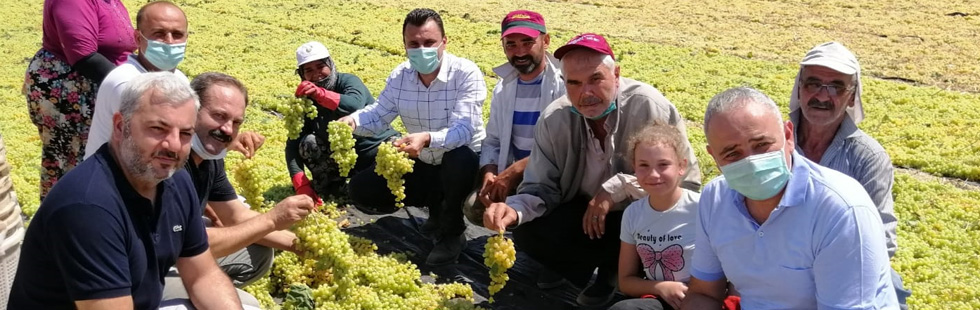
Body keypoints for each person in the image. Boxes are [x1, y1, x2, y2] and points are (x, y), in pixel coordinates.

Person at [481, 33, 701, 307]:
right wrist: (513, 209)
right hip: (584, 212)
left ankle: (613, 273)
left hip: (643, 213)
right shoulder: (554, 118)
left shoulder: (648, 106)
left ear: (616, 75)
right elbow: (540, 187)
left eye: (595, 79)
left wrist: (617, 188)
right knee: (528, 230)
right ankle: (588, 270)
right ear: (565, 83)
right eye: (574, 83)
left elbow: (687, 185)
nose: (585, 93)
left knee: (642, 222)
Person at [8, 72, 244, 309]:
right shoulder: (89, 207)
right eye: (158, 128)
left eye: (184, 133)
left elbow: (202, 276)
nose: (173, 145)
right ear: (121, 127)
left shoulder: (176, 181)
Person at [683, 87, 898, 309]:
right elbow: (704, 294)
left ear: (788, 135)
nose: (752, 162)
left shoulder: (840, 209)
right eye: (732, 154)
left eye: (761, 145)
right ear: (714, 157)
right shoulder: (714, 199)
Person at [338, 8, 486, 267]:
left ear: (444, 42)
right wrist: (353, 121)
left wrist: (427, 138)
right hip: (425, 159)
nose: (422, 50)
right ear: (404, 45)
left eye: (429, 43)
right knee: (363, 188)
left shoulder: (465, 73)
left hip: (465, 165)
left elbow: (464, 130)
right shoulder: (400, 76)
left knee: (458, 157)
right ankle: (436, 207)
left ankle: (452, 231)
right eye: (414, 44)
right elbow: (379, 113)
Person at [158, 72, 317, 307]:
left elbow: (236, 216)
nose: (228, 130)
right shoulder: (169, 164)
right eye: (219, 116)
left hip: (178, 252)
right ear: (190, 110)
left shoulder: (209, 159)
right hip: (144, 271)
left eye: (236, 122)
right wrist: (273, 219)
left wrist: (304, 246)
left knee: (259, 252)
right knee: (247, 304)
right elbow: (191, 242)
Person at [789, 41, 909, 308]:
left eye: (836, 87)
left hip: (845, 266)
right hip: (779, 259)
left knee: (892, 290)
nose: (822, 95)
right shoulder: (774, 141)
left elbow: (882, 237)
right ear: (799, 88)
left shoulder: (868, 157)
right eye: (813, 83)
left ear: (852, 96)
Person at [85, 1, 265, 161]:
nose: (169, 41)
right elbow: (163, 144)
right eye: (159, 33)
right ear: (138, 39)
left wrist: (229, 139)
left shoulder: (178, 79)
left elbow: (189, 135)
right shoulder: (127, 83)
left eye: (177, 34)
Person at [25, 0, 137, 202]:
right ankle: (69, 222)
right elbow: (84, 55)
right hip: (71, 92)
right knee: (76, 166)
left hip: (99, 86)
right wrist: (137, 89)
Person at [464, 10, 565, 226]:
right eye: (511, 44)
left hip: (553, 178)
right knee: (475, 207)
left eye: (527, 42)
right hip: (517, 176)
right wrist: (490, 173)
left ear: (545, 41)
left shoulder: (565, 85)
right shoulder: (504, 87)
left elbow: (564, 149)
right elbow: (492, 140)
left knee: (549, 225)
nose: (519, 52)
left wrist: (515, 170)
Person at [288, 41, 398, 202]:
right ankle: (334, 186)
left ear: (331, 65)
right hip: (343, 162)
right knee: (308, 142)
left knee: (393, 175)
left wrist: (322, 95)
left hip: (377, 150)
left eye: (320, 66)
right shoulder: (304, 101)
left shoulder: (348, 81)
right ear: (301, 75)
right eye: (309, 70)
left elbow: (354, 105)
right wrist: (300, 183)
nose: (317, 74)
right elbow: (292, 145)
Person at [610, 124, 699, 310]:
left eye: (663, 164)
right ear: (634, 167)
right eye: (644, 165)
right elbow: (626, 281)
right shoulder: (633, 214)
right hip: (660, 300)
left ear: (681, 166)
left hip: (701, 298)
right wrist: (661, 287)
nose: (653, 174)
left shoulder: (701, 208)